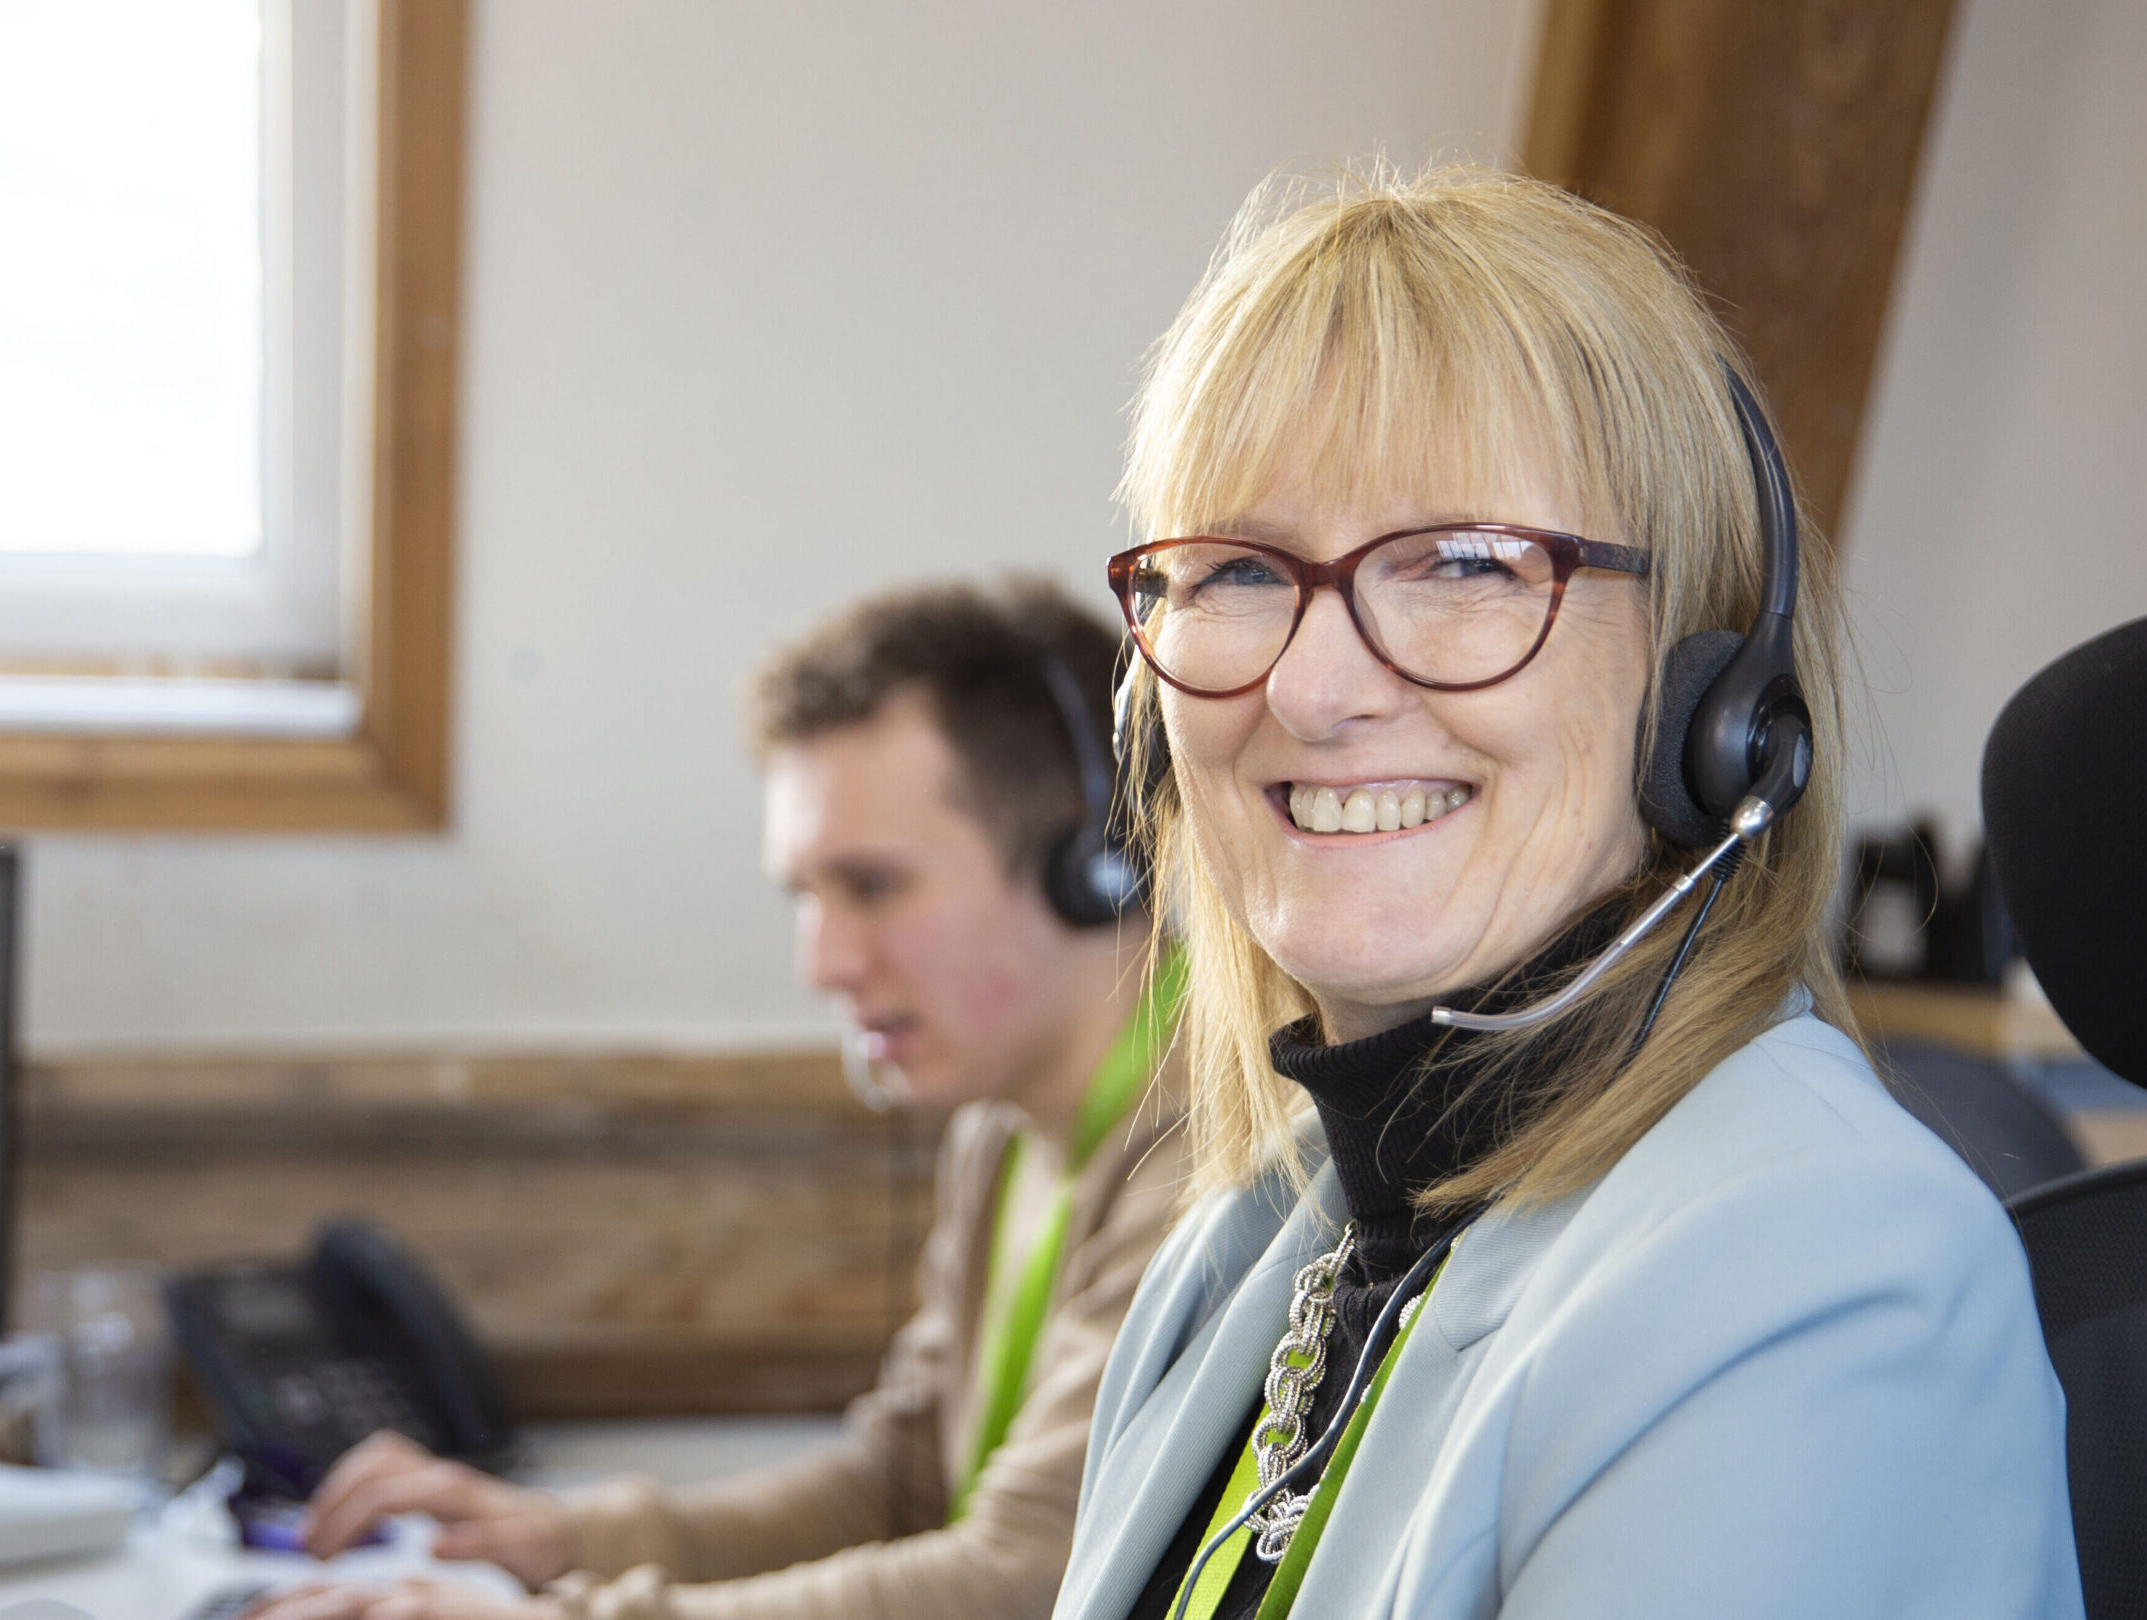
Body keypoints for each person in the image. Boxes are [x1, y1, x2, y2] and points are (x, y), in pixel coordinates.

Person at [1052, 165, 2080, 1620]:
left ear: (1710, 697)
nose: (1314, 686)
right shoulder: (1251, 1251)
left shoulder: (1825, 1279)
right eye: (1233, 573)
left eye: (1463, 562)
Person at [251, 581, 1190, 1620]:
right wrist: (567, 1537)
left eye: (873, 885)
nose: (823, 963)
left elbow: (1020, 1578)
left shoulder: (1208, 1145)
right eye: (804, 895)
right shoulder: (1004, 1129)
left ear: (1100, 863)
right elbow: (899, 1482)